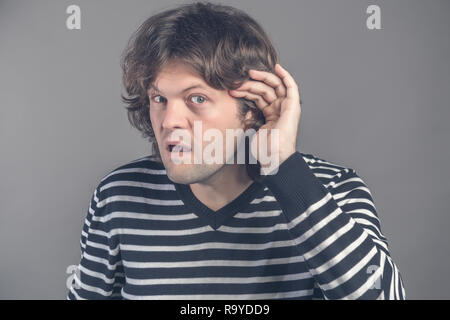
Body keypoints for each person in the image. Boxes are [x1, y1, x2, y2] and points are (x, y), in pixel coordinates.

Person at [67, 1, 405, 300]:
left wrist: (285, 169)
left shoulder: (330, 189)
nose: (169, 120)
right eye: (159, 99)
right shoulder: (118, 196)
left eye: (196, 99)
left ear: (250, 109)